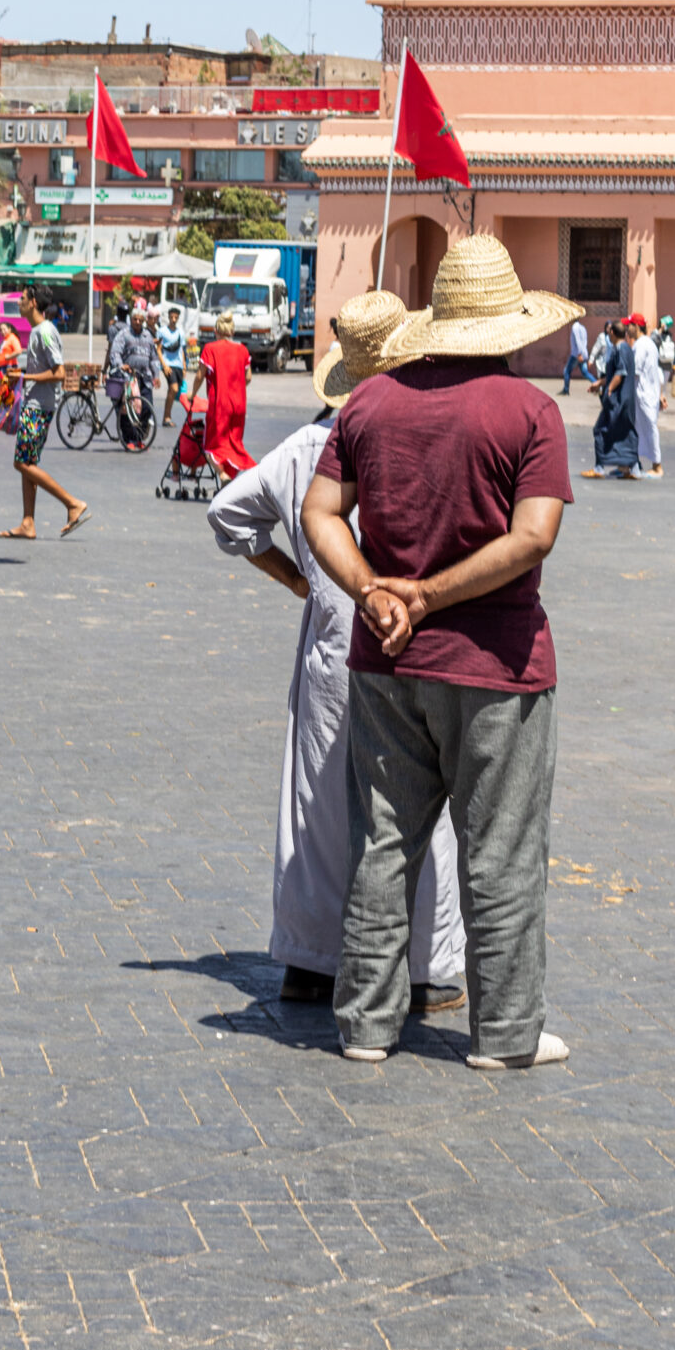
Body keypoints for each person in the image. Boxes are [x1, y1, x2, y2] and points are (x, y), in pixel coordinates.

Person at [302, 233, 578, 1071]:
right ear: (510, 323)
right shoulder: (529, 412)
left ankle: (366, 1025)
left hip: (384, 664)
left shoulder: (367, 405)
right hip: (494, 664)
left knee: (382, 846)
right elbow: (533, 538)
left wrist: (376, 592)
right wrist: (425, 595)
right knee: (499, 852)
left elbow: (320, 516)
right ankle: (502, 1035)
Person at [208, 290, 466, 1007]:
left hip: (330, 641)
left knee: (318, 803)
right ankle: (417, 969)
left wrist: (295, 577)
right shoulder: (421, 433)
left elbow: (225, 513)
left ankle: (311, 961)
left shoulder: (302, 449)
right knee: (417, 807)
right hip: (410, 637)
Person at [1, 288, 88, 538]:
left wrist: (25, 376)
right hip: (34, 404)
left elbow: (59, 372)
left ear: (34, 303)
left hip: (40, 407)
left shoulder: (46, 332)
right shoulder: (38, 331)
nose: (19, 303)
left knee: (22, 463)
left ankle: (72, 503)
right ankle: (28, 522)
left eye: (23, 299)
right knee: (29, 463)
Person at [582, 318, 640, 480]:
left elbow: (620, 373)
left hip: (618, 400)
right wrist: (599, 384)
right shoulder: (627, 348)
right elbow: (613, 373)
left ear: (612, 333)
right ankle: (631, 467)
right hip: (626, 399)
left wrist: (609, 390)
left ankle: (600, 467)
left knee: (600, 430)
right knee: (625, 431)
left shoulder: (619, 349)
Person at [199, 311, 254, 480]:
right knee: (234, 443)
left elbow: (199, 376)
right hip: (239, 405)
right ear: (232, 331)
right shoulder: (242, 350)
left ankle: (223, 475)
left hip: (219, 405)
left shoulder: (210, 349)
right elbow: (248, 377)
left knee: (212, 444)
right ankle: (233, 477)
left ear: (216, 330)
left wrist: (192, 394)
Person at [107, 300, 163, 448]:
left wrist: (156, 375)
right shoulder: (123, 334)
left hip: (145, 378)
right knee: (127, 410)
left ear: (144, 321)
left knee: (146, 408)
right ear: (131, 320)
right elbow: (114, 353)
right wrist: (121, 365)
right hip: (128, 378)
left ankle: (139, 437)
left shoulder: (148, 337)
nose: (137, 322)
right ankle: (129, 440)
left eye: (140, 320)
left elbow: (154, 358)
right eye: (135, 319)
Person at [631, 312, 664, 476]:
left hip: (643, 393)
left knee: (649, 428)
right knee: (640, 428)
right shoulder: (649, 343)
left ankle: (657, 466)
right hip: (649, 392)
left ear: (636, 327)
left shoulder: (641, 345)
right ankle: (634, 463)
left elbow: (634, 370)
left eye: (629, 325)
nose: (627, 328)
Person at [157, 303, 189, 425]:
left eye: (176, 317)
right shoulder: (162, 331)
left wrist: (185, 367)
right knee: (174, 388)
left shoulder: (180, 332)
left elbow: (183, 350)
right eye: (172, 317)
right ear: (169, 317)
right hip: (168, 364)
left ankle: (167, 416)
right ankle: (166, 417)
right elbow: (158, 349)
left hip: (179, 365)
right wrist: (164, 365)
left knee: (174, 391)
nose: (173, 319)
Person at [560, 317, 591, 396]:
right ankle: (598, 385)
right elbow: (585, 341)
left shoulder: (574, 327)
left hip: (576, 354)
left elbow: (578, 341)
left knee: (566, 370)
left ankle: (566, 390)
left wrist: (579, 353)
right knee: (585, 372)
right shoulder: (582, 327)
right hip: (583, 353)